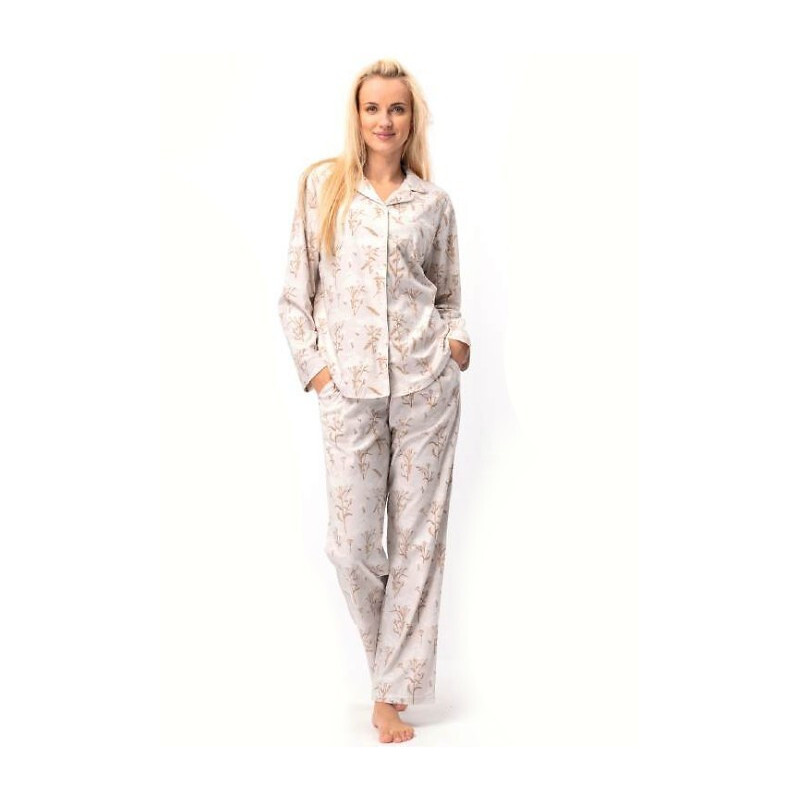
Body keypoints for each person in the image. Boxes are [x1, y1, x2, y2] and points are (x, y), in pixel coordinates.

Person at [277, 58, 471, 744]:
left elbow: (448, 294)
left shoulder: (433, 203)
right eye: (372, 108)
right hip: (349, 393)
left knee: (419, 543)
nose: (384, 120)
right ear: (356, 116)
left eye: (397, 108)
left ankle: (388, 694)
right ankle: (391, 670)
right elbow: (294, 297)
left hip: (425, 389)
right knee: (351, 546)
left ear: (412, 119)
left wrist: (456, 344)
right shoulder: (321, 188)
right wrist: (319, 375)